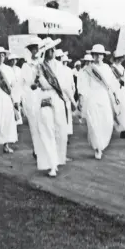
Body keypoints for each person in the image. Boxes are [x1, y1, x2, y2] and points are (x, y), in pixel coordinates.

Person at [34, 37, 74, 177]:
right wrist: (56, 85)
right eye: (49, 50)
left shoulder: (61, 67)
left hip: (59, 100)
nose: (52, 51)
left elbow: (66, 86)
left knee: (60, 131)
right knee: (47, 130)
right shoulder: (39, 67)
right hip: (45, 99)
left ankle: (57, 160)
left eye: (53, 49)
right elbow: (43, 84)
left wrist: (73, 101)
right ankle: (52, 164)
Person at [78, 44, 121, 160]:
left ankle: (102, 144)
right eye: (96, 54)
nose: (98, 56)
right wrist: (81, 98)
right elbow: (83, 85)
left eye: (100, 54)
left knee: (106, 121)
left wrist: (116, 93)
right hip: (92, 97)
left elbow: (112, 84)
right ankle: (98, 148)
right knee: (94, 123)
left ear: (103, 55)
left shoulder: (107, 68)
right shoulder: (88, 70)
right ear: (93, 55)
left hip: (105, 97)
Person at [21, 36, 44, 160]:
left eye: (37, 48)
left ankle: (44, 148)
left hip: (42, 96)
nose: (35, 51)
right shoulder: (26, 66)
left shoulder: (42, 64)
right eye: (32, 49)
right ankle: (36, 149)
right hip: (31, 97)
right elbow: (27, 84)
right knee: (34, 124)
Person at [110, 51, 125, 139]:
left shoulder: (123, 68)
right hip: (114, 91)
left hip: (121, 92)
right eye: (118, 58)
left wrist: (124, 92)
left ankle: (123, 131)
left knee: (123, 111)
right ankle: (109, 130)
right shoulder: (111, 68)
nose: (119, 60)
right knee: (113, 110)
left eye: (120, 58)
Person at [60, 55, 77, 146]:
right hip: (63, 95)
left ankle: (66, 136)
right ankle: (63, 136)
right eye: (63, 61)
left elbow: (72, 84)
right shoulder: (60, 70)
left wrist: (72, 94)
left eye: (66, 61)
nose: (65, 63)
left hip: (67, 95)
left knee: (67, 116)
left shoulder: (69, 70)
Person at [7, 54, 24, 126]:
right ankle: (12, 120)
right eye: (12, 60)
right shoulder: (7, 69)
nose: (13, 61)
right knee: (11, 104)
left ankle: (18, 119)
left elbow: (21, 79)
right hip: (10, 89)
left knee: (18, 103)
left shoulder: (19, 69)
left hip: (17, 88)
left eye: (15, 60)